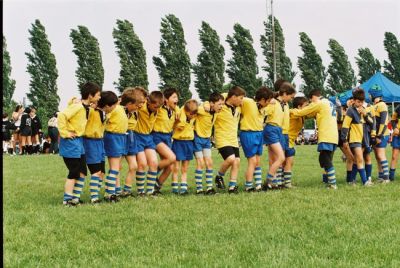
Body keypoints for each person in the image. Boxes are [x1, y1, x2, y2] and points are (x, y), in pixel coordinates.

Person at [58, 82, 101, 206]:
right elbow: (61, 116)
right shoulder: (78, 106)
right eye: (97, 95)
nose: (99, 97)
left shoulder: (85, 107)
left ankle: (75, 199)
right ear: (90, 95)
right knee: (74, 172)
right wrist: (65, 133)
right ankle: (67, 200)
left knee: (82, 172)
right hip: (71, 143)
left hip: (79, 142)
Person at [290, 89, 339, 189]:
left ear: (313, 97)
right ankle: (327, 181)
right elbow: (310, 114)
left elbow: (302, 112)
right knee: (324, 159)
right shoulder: (329, 102)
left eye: (310, 101)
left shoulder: (318, 103)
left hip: (326, 135)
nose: (310, 104)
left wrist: (289, 111)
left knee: (325, 159)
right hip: (334, 135)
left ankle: (333, 184)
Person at [239, 86, 273, 192]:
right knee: (252, 161)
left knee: (258, 161)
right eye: (267, 101)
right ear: (262, 100)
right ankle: (248, 186)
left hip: (259, 134)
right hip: (248, 134)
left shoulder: (263, 108)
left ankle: (258, 185)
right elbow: (231, 95)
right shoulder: (248, 102)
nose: (268, 103)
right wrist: (207, 104)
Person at [262, 83, 296, 190]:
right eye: (291, 97)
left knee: (275, 159)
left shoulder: (285, 105)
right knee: (280, 157)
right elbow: (261, 111)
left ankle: (275, 183)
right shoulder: (273, 103)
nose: (291, 99)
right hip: (271, 129)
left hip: (280, 131)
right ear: (285, 93)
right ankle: (267, 182)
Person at [213, 86, 245, 194]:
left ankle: (232, 186)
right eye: (240, 98)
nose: (242, 101)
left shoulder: (238, 108)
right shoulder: (220, 107)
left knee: (237, 161)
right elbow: (210, 103)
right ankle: (219, 176)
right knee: (231, 158)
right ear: (234, 97)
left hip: (233, 139)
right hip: (222, 138)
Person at [193, 92, 224, 195]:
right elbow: (193, 107)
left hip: (206, 140)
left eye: (222, 104)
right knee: (200, 163)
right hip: (197, 139)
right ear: (211, 103)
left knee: (209, 163)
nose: (221, 106)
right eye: (219, 104)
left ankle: (210, 188)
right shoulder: (202, 109)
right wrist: (205, 104)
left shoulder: (216, 112)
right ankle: (199, 189)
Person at [118, 87, 147, 197]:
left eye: (142, 101)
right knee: (118, 166)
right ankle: (115, 190)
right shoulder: (119, 108)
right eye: (140, 101)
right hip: (121, 136)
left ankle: (127, 190)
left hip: (131, 136)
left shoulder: (136, 110)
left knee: (134, 165)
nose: (141, 104)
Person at [134, 91, 164, 196]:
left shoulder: (157, 110)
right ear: (149, 102)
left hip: (148, 137)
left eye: (159, 107)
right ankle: (141, 192)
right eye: (155, 107)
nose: (157, 109)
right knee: (142, 164)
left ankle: (150, 191)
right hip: (137, 136)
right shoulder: (140, 107)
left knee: (154, 163)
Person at [340, 89, 372, 186]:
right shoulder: (350, 110)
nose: (360, 104)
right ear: (353, 100)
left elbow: (371, 122)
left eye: (362, 102)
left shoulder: (364, 109)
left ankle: (351, 180)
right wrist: (344, 140)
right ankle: (365, 181)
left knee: (356, 160)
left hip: (364, 139)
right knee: (360, 159)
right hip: (355, 139)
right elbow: (345, 126)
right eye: (358, 102)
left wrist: (365, 114)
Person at [152, 88, 179, 194]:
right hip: (156, 136)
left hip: (168, 137)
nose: (177, 99)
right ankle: (151, 173)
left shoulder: (174, 111)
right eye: (174, 97)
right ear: (166, 99)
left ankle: (156, 187)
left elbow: (174, 127)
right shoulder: (159, 109)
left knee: (170, 167)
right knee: (172, 158)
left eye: (177, 97)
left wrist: (177, 121)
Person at [171, 99, 198, 195]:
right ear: (186, 111)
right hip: (178, 142)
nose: (193, 116)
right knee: (176, 167)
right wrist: (178, 124)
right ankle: (174, 187)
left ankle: (183, 186)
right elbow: (177, 109)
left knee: (185, 167)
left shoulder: (194, 115)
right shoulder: (180, 113)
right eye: (191, 114)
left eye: (195, 114)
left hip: (189, 142)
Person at [284, 96, 309, 188]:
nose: (308, 107)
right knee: (288, 161)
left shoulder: (301, 115)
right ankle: (286, 184)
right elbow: (289, 112)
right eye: (306, 105)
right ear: (299, 106)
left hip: (290, 140)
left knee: (287, 162)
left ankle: (283, 182)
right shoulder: (293, 112)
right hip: (286, 139)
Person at [369, 87, 390, 183]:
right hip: (375, 135)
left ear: (374, 95)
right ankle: (381, 176)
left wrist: (379, 136)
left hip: (382, 135)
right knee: (377, 156)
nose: (369, 96)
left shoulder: (382, 105)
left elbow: (384, 122)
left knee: (381, 155)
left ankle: (386, 178)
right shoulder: (374, 105)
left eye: (370, 94)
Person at [389, 104, 400, 181]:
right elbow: (392, 120)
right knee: (394, 156)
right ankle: (391, 177)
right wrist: (395, 127)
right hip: (397, 136)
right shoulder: (398, 108)